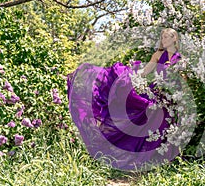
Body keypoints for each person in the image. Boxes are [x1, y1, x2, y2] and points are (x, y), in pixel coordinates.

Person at [67, 28, 182, 170]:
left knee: (165, 123)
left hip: (172, 96)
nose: (163, 40)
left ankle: (162, 159)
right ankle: (135, 155)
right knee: (144, 111)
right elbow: (146, 71)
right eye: (162, 37)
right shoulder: (158, 54)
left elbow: (182, 79)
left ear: (174, 39)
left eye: (166, 37)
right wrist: (130, 77)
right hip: (157, 92)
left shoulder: (180, 58)